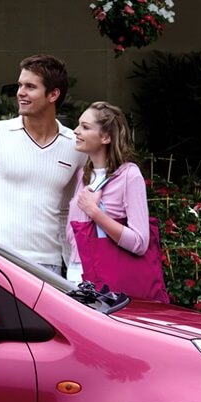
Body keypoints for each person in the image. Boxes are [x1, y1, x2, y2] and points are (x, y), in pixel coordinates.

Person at [0, 54, 86, 274]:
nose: (20, 92)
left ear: (53, 94)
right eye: (20, 85)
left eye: (30, 86)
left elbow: (66, 211)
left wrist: (75, 268)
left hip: (49, 268)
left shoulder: (74, 145)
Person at [65, 101, 168, 302]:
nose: (76, 131)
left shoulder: (129, 175)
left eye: (85, 127)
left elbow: (140, 242)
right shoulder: (82, 176)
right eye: (78, 125)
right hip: (76, 277)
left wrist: (95, 212)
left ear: (106, 137)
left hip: (109, 285)